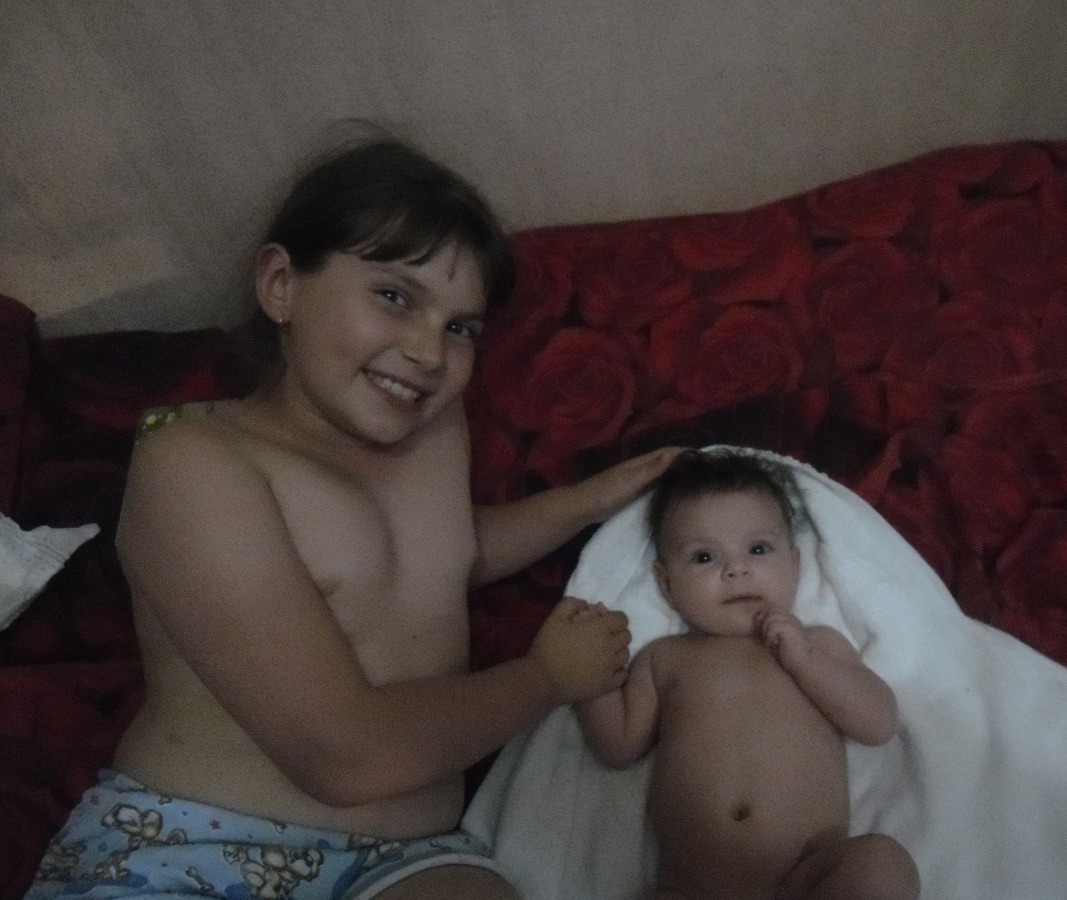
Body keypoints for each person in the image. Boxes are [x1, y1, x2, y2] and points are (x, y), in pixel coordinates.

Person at [25, 128, 680, 900]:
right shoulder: (196, 463)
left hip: (407, 859)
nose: (429, 353)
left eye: (460, 328)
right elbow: (342, 757)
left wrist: (594, 499)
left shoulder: (433, 428)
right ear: (281, 285)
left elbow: (439, 559)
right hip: (192, 845)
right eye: (395, 297)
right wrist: (545, 678)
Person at [575, 449, 920, 900]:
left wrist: (805, 661)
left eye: (758, 549)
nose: (736, 570)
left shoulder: (819, 645)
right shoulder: (665, 660)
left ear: (795, 564)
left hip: (805, 880)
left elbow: (879, 724)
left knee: (882, 867)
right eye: (704, 557)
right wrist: (589, 676)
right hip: (694, 888)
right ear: (665, 583)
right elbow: (617, 746)